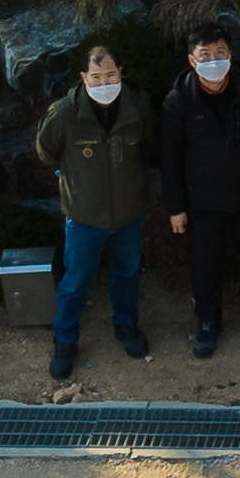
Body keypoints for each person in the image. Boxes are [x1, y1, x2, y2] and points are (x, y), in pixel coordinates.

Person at [160, 21, 240, 359]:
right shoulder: (178, 101)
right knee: (204, 265)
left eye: (220, 53)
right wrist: (175, 207)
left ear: (230, 55)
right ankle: (207, 323)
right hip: (203, 200)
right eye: (205, 55)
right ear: (191, 60)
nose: (213, 60)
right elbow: (169, 158)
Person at [35, 43, 158, 381]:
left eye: (111, 75)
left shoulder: (138, 107)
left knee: (128, 272)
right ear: (83, 77)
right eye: (97, 76)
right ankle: (65, 339)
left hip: (129, 212)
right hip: (84, 216)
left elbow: (148, 146)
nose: (105, 82)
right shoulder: (64, 114)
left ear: (121, 74)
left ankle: (126, 325)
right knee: (75, 281)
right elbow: (46, 152)